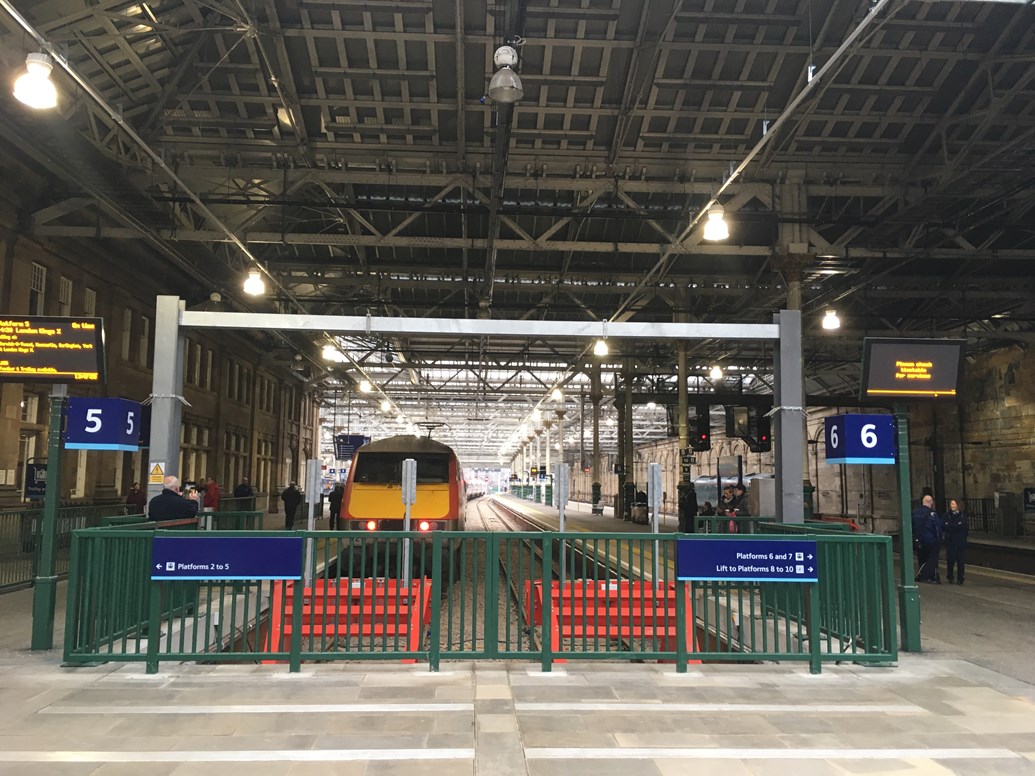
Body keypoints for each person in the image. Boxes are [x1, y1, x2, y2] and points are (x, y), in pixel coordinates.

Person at [914, 495, 943, 583]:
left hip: (918, 539)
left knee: (921, 558)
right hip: (930, 540)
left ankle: (921, 574)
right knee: (932, 558)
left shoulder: (914, 513)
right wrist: (939, 540)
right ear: (931, 503)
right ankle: (926, 576)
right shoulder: (932, 514)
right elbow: (937, 529)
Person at [943, 498, 969, 584]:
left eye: (954, 504)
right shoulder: (946, 515)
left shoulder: (963, 516)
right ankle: (950, 576)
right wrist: (955, 526)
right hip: (950, 541)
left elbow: (963, 527)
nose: (952, 506)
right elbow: (944, 526)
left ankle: (960, 577)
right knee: (950, 559)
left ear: (958, 505)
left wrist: (951, 526)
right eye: (951, 504)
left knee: (960, 560)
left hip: (960, 541)